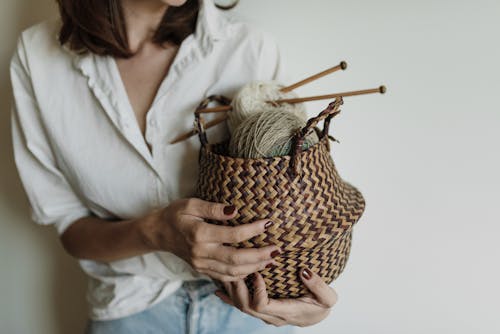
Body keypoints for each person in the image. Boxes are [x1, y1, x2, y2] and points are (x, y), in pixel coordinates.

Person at [9, 0, 338, 332]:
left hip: (246, 311)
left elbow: (302, 195)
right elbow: (70, 227)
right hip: (130, 311)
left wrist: (305, 303)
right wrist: (155, 232)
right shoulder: (37, 59)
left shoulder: (249, 49)